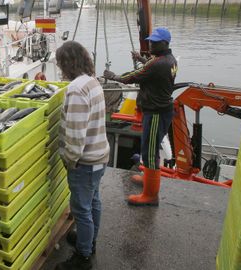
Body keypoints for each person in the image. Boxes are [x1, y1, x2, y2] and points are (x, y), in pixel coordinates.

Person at [103, 27, 178, 206]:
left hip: (156, 113)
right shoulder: (170, 60)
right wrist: (141, 58)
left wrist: (113, 76)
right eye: (150, 40)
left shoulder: (157, 63)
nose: (150, 44)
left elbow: (133, 76)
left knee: (150, 153)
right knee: (150, 149)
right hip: (163, 110)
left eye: (154, 42)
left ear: (164, 43)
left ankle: (150, 195)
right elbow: (152, 68)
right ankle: (149, 180)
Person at [55, 41, 110, 270]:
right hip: (100, 157)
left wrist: (70, 161)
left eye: (60, 64)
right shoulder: (92, 81)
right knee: (93, 202)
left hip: (85, 162)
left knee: (81, 209)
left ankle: (83, 256)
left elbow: (76, 136)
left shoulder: (76, 90)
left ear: (67, 64)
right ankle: (90, 240)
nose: (59, 68)